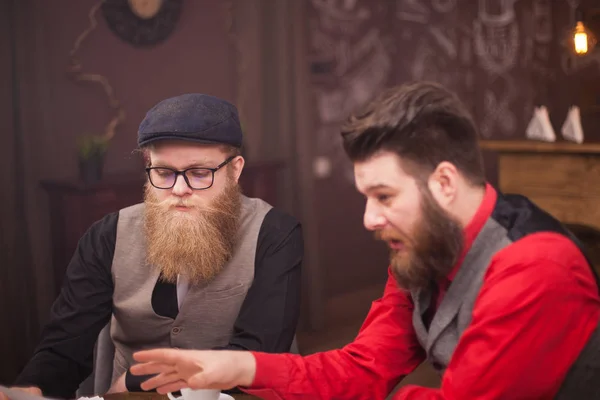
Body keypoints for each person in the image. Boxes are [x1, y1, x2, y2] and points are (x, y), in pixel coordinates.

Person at [129, 82, 600, 399]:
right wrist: (238, 368)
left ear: (444, 183)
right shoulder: (421, 248)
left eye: (384, 196)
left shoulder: (535, 270)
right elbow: (365, 367)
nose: (370, 219)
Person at [4, 94, 303, 399]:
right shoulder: (106, 237)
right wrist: (30, 389)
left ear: (235, 170)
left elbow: (259, 353)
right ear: (148, 166)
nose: (179, 189)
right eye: (164, 173)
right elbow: (64, 348)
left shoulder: (275, 233)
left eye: (199, 174)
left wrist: (138, 378)